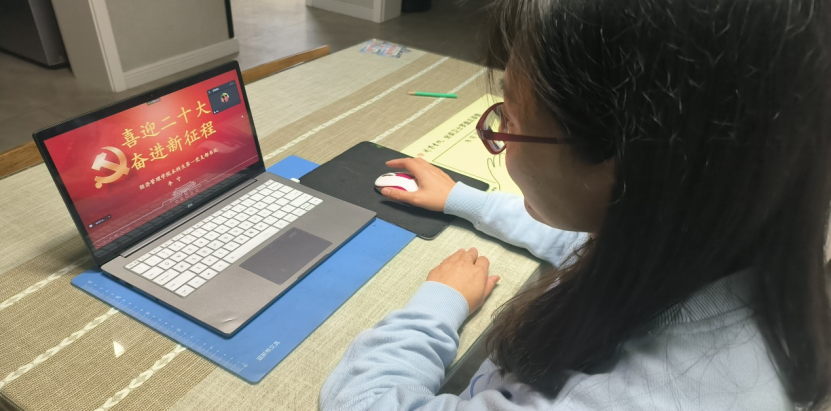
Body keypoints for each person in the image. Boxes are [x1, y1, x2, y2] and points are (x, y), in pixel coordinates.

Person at [320, 0, 831, 409]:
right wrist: (462, 198)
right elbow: (581, 240)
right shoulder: (727, 241)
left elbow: (360, 400)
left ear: (624, 164)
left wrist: (436, 306)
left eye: (510, 120)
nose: (500, 138)